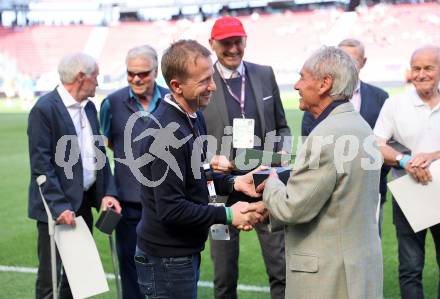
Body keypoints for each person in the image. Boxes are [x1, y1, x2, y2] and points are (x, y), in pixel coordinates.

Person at [134, 39, 265, 299]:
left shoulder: (193, 117)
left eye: (211, 78)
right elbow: (171, 209)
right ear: (176, 86)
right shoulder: (165, 135)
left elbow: (198, 176)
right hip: (167, 259)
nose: (213, 87)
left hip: (181, 252)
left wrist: (235, 183)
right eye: (204, 81)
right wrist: (228, 215)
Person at [249, 46, 383, 298]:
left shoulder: (325, 135)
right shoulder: (360, 125)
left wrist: (271, 182)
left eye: (302, 77)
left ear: (324, 84)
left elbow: (292, 207)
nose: (297, 85)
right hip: (356, 267)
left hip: (329, 275)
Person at [202, 16, 289, 299]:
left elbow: (282, 125)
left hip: (264, 181)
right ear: (212, 44)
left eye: (238, 41)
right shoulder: (203, 81)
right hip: (220, 189)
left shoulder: (264, 74)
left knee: (281, 268)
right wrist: (208, 158)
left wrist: (283, 151)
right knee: (224, 274)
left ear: (245, 40)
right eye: (226, 43)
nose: (233, 48)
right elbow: (187, 137)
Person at [27, 53, 121, 299]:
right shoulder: (44, 109)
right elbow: (41, 165)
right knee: (51, 281)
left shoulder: (89, 107)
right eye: (96, 76)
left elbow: (98, 154)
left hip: (83, 203)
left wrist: (107, 193)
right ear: (81, 77)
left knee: (78, 279)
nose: (98, 82)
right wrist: (59, 207)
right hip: (57, 209)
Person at [99, 45, 168, 299]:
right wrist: (109, 192)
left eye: (143, 73)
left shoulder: (172, 99)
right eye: (130, 73)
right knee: (131, 271)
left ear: (156, 70)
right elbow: (101, 152)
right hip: (128, 205)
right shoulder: (111, 103)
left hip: (166, 203)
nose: (136, 79)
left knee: (166, 269)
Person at [302, 38, 389, 236]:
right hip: (329, 192)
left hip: (371, 189)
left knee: (368, 246)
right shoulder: (316, 99)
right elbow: (310, 146)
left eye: (352, 59)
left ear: (363, 62)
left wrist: (366, 176)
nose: (346, 64)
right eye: (340, 58)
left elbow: (386, 145)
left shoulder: (380, 97)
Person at [374, 45, 440, 299]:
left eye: (428, 68)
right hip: (409, 196)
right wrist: (405, 161)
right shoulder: (395, 104)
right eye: (416, 68)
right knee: (410, 268)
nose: (421, 74)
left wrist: (433, 156)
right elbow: (376, 143)